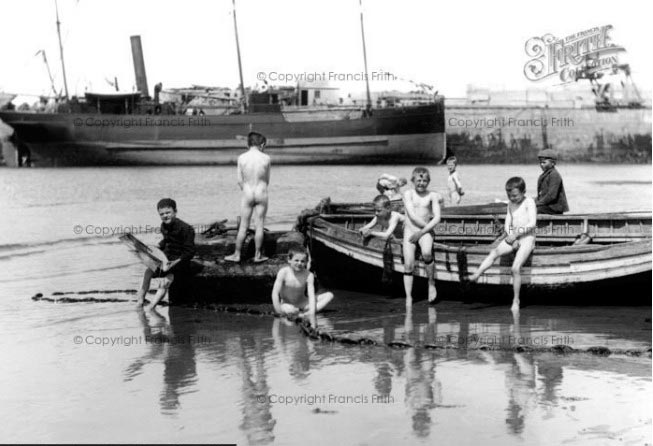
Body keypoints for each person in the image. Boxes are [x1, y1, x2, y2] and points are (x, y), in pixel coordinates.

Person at [468, 177, 536, 311]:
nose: (512, 198)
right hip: (514, 236)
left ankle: (516, 300)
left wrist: (517, 235)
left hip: (527, 237)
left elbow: (532, 223)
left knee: (515, 268)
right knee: (494, 252)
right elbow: (508, 223)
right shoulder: (510, 204)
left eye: (515, 195)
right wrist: (512, 237)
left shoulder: (529, 202)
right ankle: (477, 274)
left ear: (524, 192)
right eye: (509, 196)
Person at [136, 198, 196, 310]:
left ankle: (151, 307)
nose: (165, 216)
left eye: (168, 213)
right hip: (166, 259)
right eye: (161, 214)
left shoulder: (186, 229)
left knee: (164, 282)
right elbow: (166, 241)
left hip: (181, 261)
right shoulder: (164, 226)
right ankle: (140, 301)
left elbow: (190, 252)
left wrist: (175, 263)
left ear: (175, 211)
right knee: (148, 272)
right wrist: (157, 247)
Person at [225, 131, 271, 263]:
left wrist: (246, 190)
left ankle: (237, 255)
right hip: (261, 192)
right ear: (262, 144)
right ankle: (258, 255)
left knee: (244, 226)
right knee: (260, 225)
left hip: (247, 192)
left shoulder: (241, 158)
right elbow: (267, 180)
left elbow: (239, 180)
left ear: (248, 144)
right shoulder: (266, 158)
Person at [402, 167, 442, 305]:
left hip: (424, 231)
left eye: (425, 180)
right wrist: (417, 232)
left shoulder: (432, 196)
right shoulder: (408, 194)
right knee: (408, 265)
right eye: (419, 180)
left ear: (429, 182)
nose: (421, 183)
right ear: (413, 180)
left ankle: (431, 283)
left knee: (426, 254)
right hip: (410, 230)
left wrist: (422, 232)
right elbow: (412, 216)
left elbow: (437, 218)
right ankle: (409, 297)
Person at [271, 246, 334, 317]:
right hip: (287, 304)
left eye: (302, 261)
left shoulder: (309, 275)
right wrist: (279, 311)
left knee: (329, 295)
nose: (299, 263)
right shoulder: (283, 272)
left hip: (303, 303)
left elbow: (311, 295)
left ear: (306, 262)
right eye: (296, 260)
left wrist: (312, 312)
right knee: (289, 309)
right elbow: (275, 293)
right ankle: (296, 312)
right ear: (289, 260)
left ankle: (307, 314)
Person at [535, 149, 568, 214]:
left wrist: (538, 203)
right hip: (547, 206)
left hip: (554, 207)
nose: (541, 165)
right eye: (540, 162)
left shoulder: (554, 175)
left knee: (533, 210)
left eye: (544, 162)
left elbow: (552, 196)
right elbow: (542, 194)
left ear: (553, 163)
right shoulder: (545, 175)